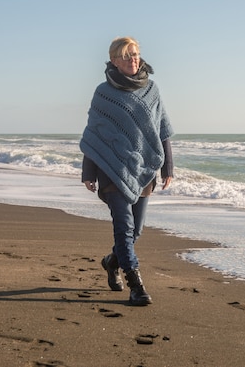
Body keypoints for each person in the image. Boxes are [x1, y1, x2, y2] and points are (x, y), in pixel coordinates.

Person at [80, 36, 174, 306]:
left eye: (135, 54)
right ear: (114, 61)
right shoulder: (103, 93)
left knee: (137, 231)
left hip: (143, 168)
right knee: (124, 229)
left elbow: (162, 130)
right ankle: (136, 284)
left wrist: (168, 166)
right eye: (125, 55)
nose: (132, 59)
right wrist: (88, 172)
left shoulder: (152, 90)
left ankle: (111, 262)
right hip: (111, 169)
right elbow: (94, 134)